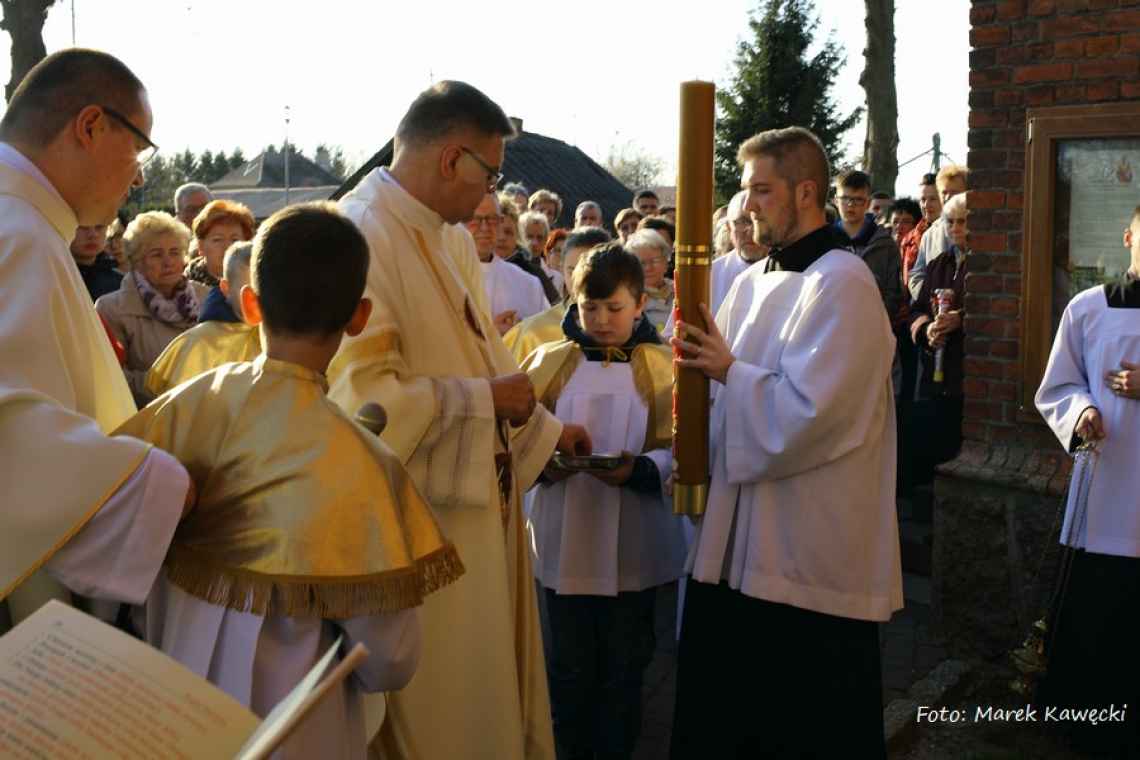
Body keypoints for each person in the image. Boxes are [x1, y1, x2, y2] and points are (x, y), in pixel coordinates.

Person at [118, 202, 463, 759]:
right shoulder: (361, 462)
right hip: (297, 728)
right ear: (360, 316)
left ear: (250, 302)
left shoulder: (186, 404)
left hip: (171, 703)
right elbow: (388, 657)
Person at [330, 80, 591, 760]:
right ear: (452, 160)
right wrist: (488, 403)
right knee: (448, 707)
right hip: (421, 530)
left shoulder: (444, 239)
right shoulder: (360, 234)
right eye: (490, 172)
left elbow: (486, 359)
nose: (488, 195)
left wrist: (547, 435)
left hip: (479, 510)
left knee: (489, 694)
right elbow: (363, 401)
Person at [670, 126, 902, 759]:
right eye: (745, 192)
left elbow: (812, 415)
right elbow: (726, 402)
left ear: (805, 191)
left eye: (761, 191)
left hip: (804, 558)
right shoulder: (748, 283)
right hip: (736, 546)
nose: (747, 207)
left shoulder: (843, 283)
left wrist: (726, 373)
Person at [0, 48, 191, 626]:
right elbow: (11, 434)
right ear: (89, 126)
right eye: (138, 147)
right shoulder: (18, 232)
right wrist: (162, 485)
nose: (138, 177)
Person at [522, 243, 685, 759]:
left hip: (632, 537)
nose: (601, 319)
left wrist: (639, 470)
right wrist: (547, 461)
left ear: (641, 304)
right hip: (564, 537)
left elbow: (685, 448)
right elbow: (517, 438)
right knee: (568, 668)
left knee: (624, 668)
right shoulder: (549, 364)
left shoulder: (663, 368)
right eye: (589, 308)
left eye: (614, 308)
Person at [1034, 205, 1140, 758]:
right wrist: (1078, 414)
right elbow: (1057, 385)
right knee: (1096, 610)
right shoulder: (1088, 307)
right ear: (1129, 237)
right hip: (1105, 488)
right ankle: (1084, 721)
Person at [95, 211, 208, 406]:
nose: (168, 262)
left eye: (175, 252)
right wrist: (169, 385)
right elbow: (111, 378)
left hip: (205, 411)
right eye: (156, 254)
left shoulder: (205, 297)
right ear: (136, 262)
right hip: (148, 418)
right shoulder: (111, 309)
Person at [145, 241, 260, 397]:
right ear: (226, 289)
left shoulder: (282, 337)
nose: (258, 299)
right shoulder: (199, 343)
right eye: (248, 291)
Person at [909, 193, 969, 475]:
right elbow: (916, 310)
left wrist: (963, 319)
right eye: (950, 222)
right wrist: (927, 329)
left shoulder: (988, 266)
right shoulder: (938, 265)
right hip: (934, 376)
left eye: (963, 222)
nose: (956, 228)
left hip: (966, 378)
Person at [504, 226, 611, 364]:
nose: (582, 280)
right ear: (561, 268)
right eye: (572, 270)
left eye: (593, 271)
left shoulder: (631, 332)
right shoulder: (532, 333)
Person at [468, 193, 547, 334]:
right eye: (476, 219)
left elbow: (545, 337)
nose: (485, 227)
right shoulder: (442, 273)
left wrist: (523, 333)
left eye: (492, 219)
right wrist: (491, 334)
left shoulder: (529, 284)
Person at [833, 169, 905, 323]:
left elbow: (894, 293)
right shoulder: (825, 242)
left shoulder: (885, 244)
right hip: (832, 328)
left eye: (858, 199)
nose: (851, 205)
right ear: (835, 200)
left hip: (873, 327)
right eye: (845, 198)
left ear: (867, 203)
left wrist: (875, 320)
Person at [908, 164, 968, 300]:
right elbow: (917, 273)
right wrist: (929, 297)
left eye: (954, 193)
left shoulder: (977, 229)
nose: (948, 197)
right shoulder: (929, 234)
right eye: (944, 192)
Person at [186, 199, 255, 312]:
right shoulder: (185, 291)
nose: (227, 247)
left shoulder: (256, 283)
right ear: (200, 246)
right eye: (217, 240)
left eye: (234, 240)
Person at [711, 190, 769, 315]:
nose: (752, 230)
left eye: (758, 221)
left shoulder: (792, 272)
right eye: (742, 222)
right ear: (728, 227)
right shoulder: (709, 276)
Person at [627, 229, 673, 336]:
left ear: (666, 262)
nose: (648, 268)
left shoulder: (681, 290)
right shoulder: (629, 299)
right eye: (641, 263)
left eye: (654, 261)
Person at [901, 173, 941, 288]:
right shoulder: (908, 240)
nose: (926, 205)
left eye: (933, 199)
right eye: (923, 199)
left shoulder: (954, 234)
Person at [70, 222, 121, 301]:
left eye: (99, 226)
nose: (93, 234)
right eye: (83, 226)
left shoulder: (121, 284)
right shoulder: (53, 278)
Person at [542, 228, 569, 294]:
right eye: (558, 251)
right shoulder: (540, 282)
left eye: (566, 252)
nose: (562, 256)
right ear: (548, 255)